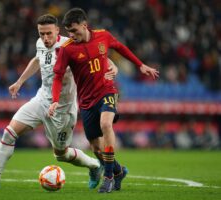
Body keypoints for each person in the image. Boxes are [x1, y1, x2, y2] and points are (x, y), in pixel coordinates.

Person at [0, 14, 118, 190]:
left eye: (49, 33)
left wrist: (113, 67)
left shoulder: (70, 44)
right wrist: (20, 82)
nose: (45, 38)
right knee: (9, 133)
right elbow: (37, 60)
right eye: (42, 33)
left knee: (61, 155)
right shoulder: (40, 43)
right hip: (41, 99)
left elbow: (100, 54)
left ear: (57, 30)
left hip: (62, 109)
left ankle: (94, 166)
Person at [48, 8, 159, 193]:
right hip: (86, 101)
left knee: (106, 124)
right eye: (69, 31)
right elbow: (58, 76)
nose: (71, 35)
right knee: (96, 149)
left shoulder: (103, 36)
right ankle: (118, 171)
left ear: (84, 25)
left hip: (106, 91)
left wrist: (141, 65)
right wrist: (55, 100)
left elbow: (121, 47)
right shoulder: (67, 49)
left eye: (74, 30)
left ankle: (108, 177)